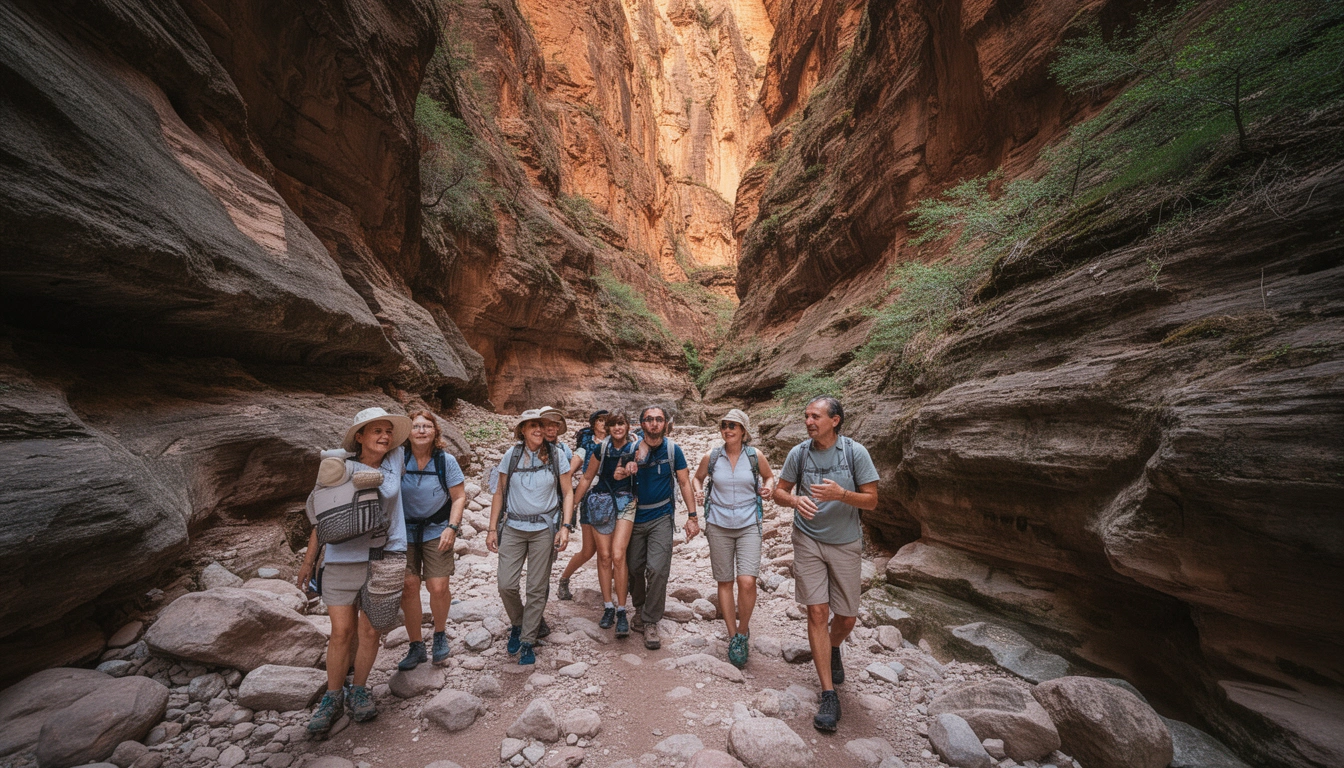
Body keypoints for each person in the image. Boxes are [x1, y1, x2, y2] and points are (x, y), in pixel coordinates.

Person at [298, 407, 411, 734]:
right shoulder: (337, 470)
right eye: (376, 430)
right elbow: (322, 518)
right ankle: (332, 697)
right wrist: (309, 561)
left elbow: (391, 483)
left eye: (388, 431)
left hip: (385, 556)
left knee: (371, 630)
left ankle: (359, 689)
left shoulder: (394, 461)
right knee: (341, 632)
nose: (385, 436)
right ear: (358, 437)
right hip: (341, 559)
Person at [772, 395, 879, 733]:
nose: (808, 422)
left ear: (835, 420)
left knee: (846, 617)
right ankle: (828, 694)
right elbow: (778, 491)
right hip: (807, 539)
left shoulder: (854, 453)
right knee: (817, 612)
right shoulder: (798, 453)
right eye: (806, 416)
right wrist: (794, 499)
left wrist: (841, 495)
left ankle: (833, 647)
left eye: (815, 416)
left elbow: (873, 500)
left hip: (846, 542)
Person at [486, 409, 575, 665]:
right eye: (532, 425)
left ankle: (527, 640)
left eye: (541, 425)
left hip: (544, 529)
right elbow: (499, 493)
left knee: (536, 588)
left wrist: (566, 526)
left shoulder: (557, 455)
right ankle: (518, 622)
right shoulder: (511, 455)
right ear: (522, 430)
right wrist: (492, 529)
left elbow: (568, 493)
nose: (538, 429)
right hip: (513, 528)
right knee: (506, 585)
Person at [691, 409, 775, 669]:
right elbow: (697, 478)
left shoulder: (754, 456)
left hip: (749, 523)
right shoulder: (712, 456)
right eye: (724, 425)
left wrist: (769, 488)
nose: (727, 430)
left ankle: (744, 627)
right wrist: (697, 492)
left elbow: (769, 476)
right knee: (725, 581)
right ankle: (734, 636)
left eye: (733, 426)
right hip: (718, 524)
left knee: (747, 581)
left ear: (743, 431)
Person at [396, 410, 467, 670]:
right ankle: (416, 645)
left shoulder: (445, 461)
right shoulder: (398, 459)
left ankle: (439, 634)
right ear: (407, 432)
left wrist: (452, 526)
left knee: (437, 586)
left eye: (427, 426)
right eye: (416, 426)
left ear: (436, 432)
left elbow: (459, 497)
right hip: (403, 531)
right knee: (409, 586)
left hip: (437, 528)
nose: (422, 430)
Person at [627, 405, 697, 650]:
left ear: (666, 424)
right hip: (632, 518)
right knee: (634, 567)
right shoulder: (631, 447)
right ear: (641, 424)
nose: (654, 423)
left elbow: (685, 482)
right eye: (649, 419)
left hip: (661, 517)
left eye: (658, 419)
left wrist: (692, 516)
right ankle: (638, 607)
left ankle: (649, 620)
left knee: (657, 569)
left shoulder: (672, 450)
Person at [571, 411, 639, 636]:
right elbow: (588, 478)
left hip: (626, 502)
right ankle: (608, 606)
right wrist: (572, 505)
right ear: (608, 428)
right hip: (601, 502)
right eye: (613, 425)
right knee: (604, 556)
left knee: (618, 555)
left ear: (628, 426)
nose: (618, 428)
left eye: (621, 424)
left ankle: (621, 609)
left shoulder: (636, 448)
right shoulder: (601, 449)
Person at [558, 411, 609, 601]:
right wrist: (569, 502)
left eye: (607, 421)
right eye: (600, 420)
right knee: (589, 550)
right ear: (593, 424)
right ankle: (564, 579)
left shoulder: (618, 442)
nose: (604, 424)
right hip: (591, 499)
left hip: (615, 498)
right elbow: (569, 472)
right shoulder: (585, 447)